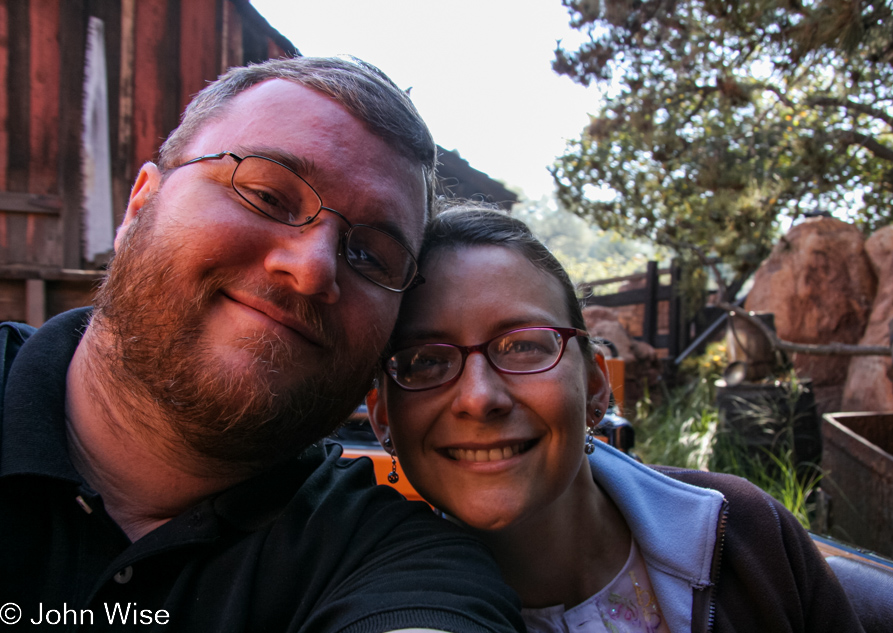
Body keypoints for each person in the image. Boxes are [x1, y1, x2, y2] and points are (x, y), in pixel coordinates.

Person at [0, 58, 522, 633]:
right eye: (268, 196)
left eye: (372, 255)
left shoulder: (398, 561)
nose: (313, 268)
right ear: (140, 206)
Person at [367, 206, 865, 633]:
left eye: (522, 345)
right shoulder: (371, 596)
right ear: (383, 416)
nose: (478, 398)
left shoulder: (746, 534)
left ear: (598, 386)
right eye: (425, 360)